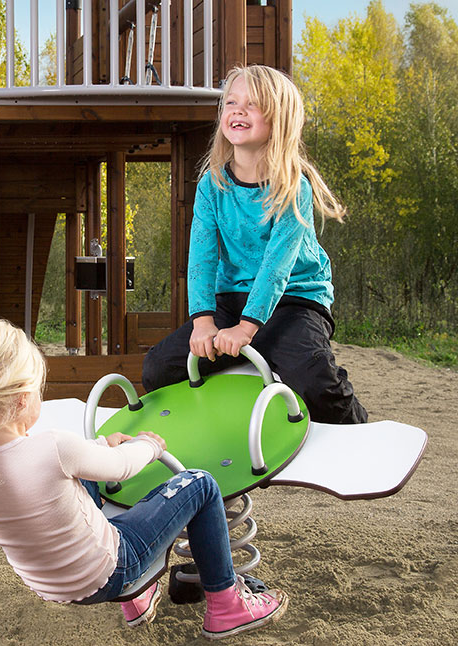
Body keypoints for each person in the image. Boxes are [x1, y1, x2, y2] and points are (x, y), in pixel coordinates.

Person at [0, 319, 288, 640]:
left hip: (51, 585)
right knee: (199, 483)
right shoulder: (54, 448)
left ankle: (139, 599)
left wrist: (99, 444)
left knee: (81, 481)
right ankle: (227, 605)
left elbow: (60, 473)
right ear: (24, 399)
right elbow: (123, 467)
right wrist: (147, 444)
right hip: (114, 570)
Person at [142, 64, 367, 425]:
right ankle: (210, 431)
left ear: (278, 120)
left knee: (314, 380)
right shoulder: (212, 186)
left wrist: (247, 330)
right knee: (159, 367)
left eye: (253, 104)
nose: (238, 110)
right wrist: (203, 322)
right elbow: (201, 258)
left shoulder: (293, 189)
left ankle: (357, 430)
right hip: (231, 301)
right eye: (231, 102)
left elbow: (276, 269)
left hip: (294, 301)